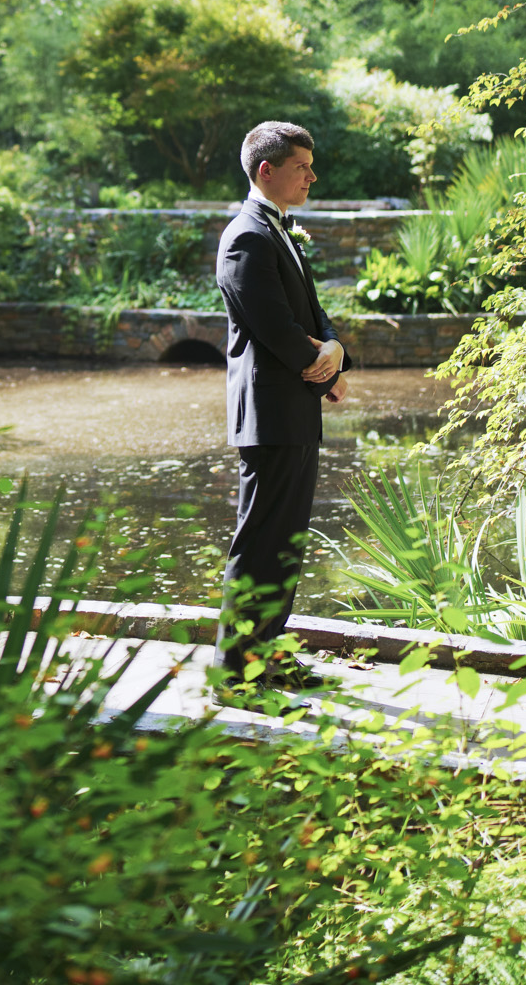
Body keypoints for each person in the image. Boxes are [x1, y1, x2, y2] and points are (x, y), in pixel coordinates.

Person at [214, 121, 349, 690]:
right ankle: (235, 671)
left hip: (295, 410)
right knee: (260, 541)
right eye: (302, 166)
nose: (312, 176)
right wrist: (322, 373)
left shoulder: (284, 231)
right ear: (267, 170)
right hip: (268, 414)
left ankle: (269, 654)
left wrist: (337, 350)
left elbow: (312, 314)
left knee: (287, 543)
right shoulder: (245, 237)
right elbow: (274, 327)